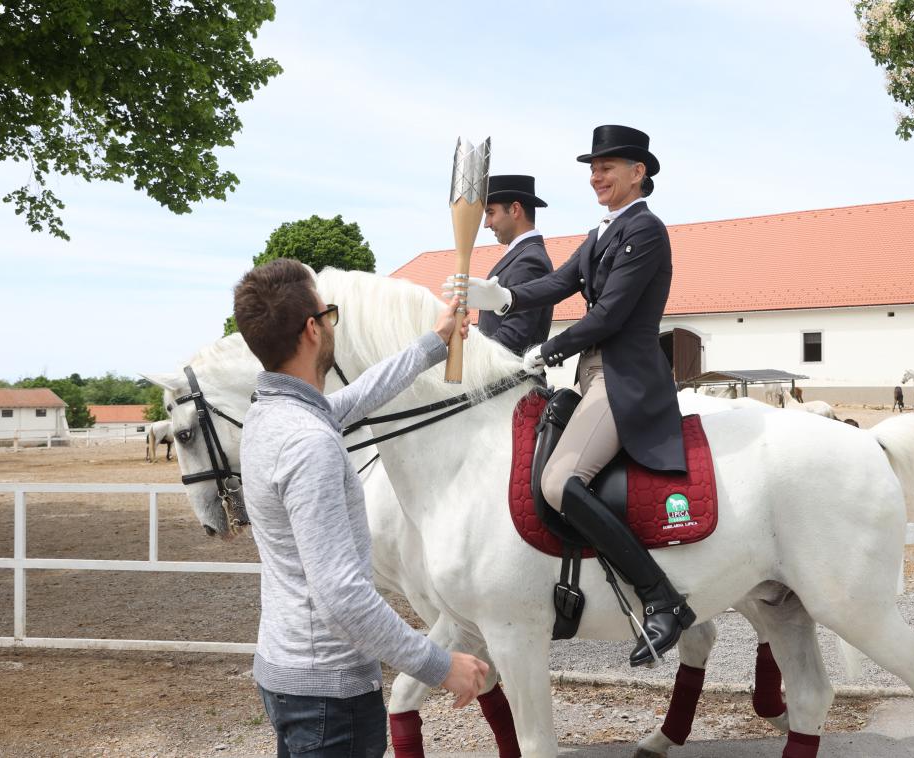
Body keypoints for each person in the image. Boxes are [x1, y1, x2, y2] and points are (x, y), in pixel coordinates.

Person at [447, 125, 694, 667]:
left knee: (560, 481)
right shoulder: (602, 232)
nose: (596, 176)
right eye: (592, 167)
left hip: (626, 378)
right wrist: (503, 295)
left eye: (607, 167)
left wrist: (548, 350)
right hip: (593, 376)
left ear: (639, 173)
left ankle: (661, 599)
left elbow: (610, 315)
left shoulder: (646, 231)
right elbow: (558, 284)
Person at [234, 258, 487, 757]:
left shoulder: (269, 416)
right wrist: (440, 664)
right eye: (329, 314)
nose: (332, 324)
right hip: (329, 698)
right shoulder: (309, 442)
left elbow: (356, 399)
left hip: (291, 676)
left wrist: (433, 344)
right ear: (313, 328)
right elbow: (342, 597)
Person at [477, 174, 555, 354]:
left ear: (515, 210)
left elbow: (514, 336)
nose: (486, 224)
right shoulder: (521, 255)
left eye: (490, 213)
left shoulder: (529, 260)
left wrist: (470, 355)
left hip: (511, 379)